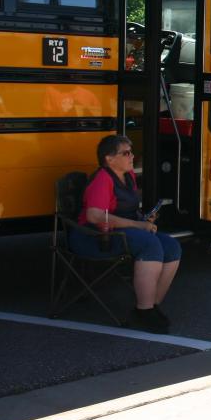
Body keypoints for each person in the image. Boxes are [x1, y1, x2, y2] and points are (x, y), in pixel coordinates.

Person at [71, 135, 182, 334]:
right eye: (126, 153)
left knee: (172, 247)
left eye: (132, 151)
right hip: (95, 237)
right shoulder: (103, 179)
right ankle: (144, 310)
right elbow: (95, 216)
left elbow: (128, 210)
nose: (132, 156)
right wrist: (138, 225)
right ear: (109, 159)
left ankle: (152, 304)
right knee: (149, 244)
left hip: (122, 231)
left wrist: (144, 219)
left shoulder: (128, 176)